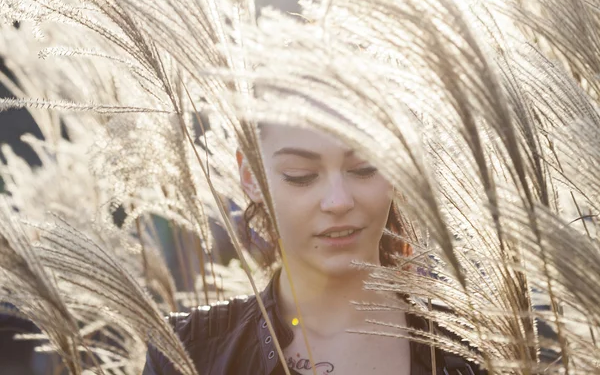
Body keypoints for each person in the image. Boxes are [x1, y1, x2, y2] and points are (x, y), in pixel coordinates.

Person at [142, 122, 483, 375]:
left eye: (364, 168)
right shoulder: (187, 351)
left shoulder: (470, 348)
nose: (338, 201)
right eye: (301, 174)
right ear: (251, 177)